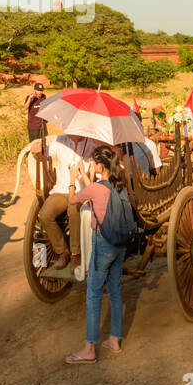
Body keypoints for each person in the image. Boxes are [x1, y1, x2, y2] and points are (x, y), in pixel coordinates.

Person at [64, 146, 126, 364]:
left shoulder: (96, 189)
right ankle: (114, 339)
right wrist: (84, 174)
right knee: (116, 292)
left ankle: (90, 348)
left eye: (93, 162)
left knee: (93, 295)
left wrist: (73, 179)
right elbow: (96, 192)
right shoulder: (118, 186)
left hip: (102, 243)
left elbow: (73, 200)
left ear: (99, 166)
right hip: (120, 244)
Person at [35, 133, 100, 273]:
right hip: (61, 189)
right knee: (44, 214)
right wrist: (37, 152)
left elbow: (97, 170)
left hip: (81, 191)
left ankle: (76, 254)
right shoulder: (60, 140)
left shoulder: (91, 143)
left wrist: (85, 174)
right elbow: (44, 155)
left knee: (73, 210)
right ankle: (63, 251)